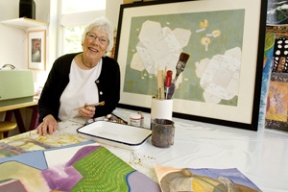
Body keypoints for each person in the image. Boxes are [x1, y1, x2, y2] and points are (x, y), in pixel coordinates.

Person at [36, 17, 120, 135]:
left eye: (102, 40)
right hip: (58, 127)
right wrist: (48, 117)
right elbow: (45, 100)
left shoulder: (111, 67)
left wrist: (94, 111)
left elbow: (112, 102)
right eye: (92, 36)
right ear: (83, 40)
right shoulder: (62, 63)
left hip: (91, 129)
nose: (95, 42)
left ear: (107, 48)